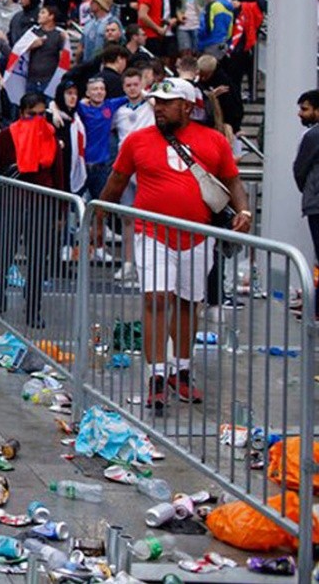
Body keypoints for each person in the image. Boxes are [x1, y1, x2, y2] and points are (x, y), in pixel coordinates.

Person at [97, 77, 250, 412]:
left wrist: (244, 210)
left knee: (187, 302)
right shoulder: (137, 141)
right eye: (156, 101)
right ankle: (156, 375)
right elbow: (116, 182)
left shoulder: (213, 140)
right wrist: (96, 218)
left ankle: (180, 370)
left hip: (197, 235)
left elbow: (232, 180)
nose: (159, 107)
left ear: (188, 106)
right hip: (151, 233)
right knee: (155, 298)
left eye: (167, 102)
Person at [0, 92, 62, 327]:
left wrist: (62, 212)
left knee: (37, 261)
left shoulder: (50, 138)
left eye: (40, 114)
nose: (36, 119)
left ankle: (33, 307)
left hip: (41, 205)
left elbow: (59, 176)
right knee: (4, 256)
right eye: (30, 114)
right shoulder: (6, 137)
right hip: (11, 203)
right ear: (21, 113)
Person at [294, 90, 319, 319]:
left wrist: (308, 190)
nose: (300, 114)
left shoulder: (312, 136)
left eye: (305, 109)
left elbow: (300, 169)